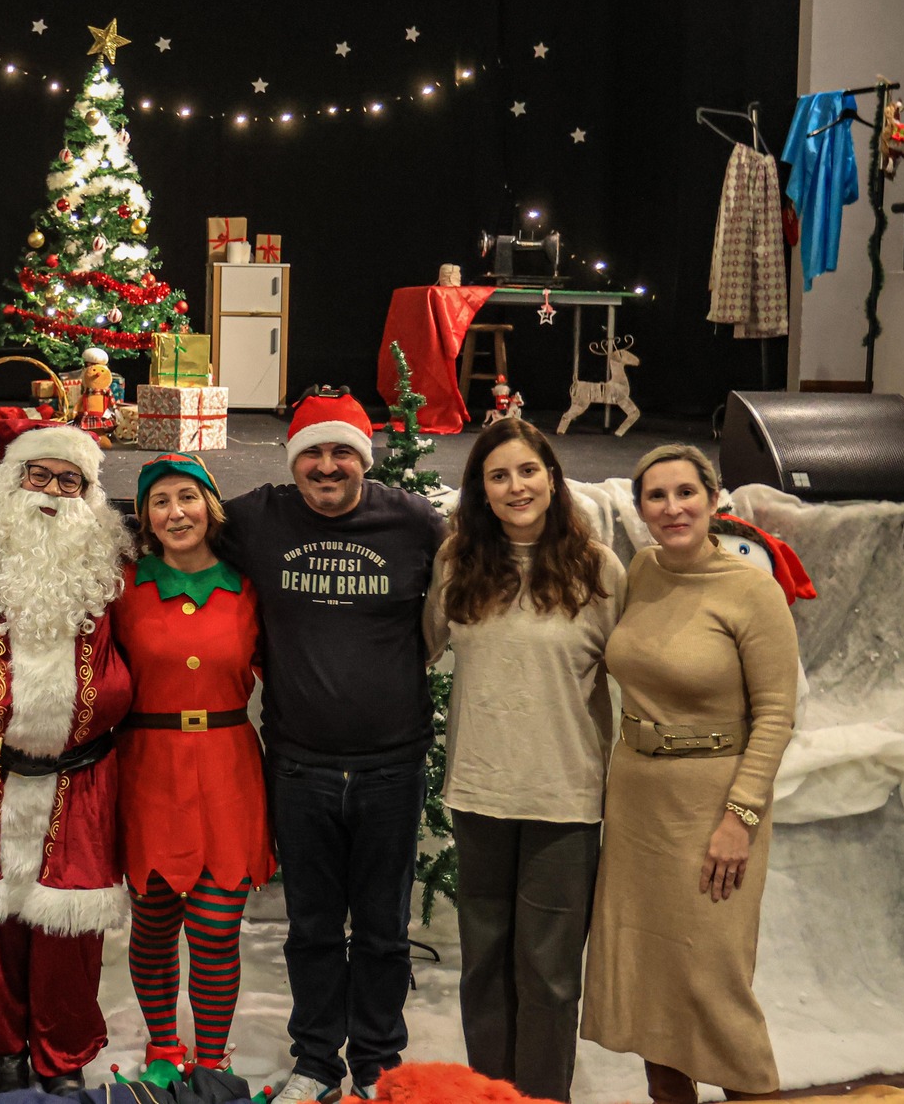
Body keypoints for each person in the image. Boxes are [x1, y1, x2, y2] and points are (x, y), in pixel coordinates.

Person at [210, 389, 446, 1104]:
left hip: (391, 766)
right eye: (312, 450)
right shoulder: (257, 517)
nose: (327, 464)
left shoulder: (414, 522)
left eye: (342, 449)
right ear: (293, 460)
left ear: (364, 459)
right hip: (299, 765)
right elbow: (174, 529)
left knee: (381, 929)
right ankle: (316, 1060)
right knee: (310, 926)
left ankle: (377, 1063)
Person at [581, 445, 799, 1104]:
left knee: (713, 979)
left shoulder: (751, 590)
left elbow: (777, 714)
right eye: (656, 495)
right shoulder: (642, 570)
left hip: (714, 805)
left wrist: (741, 817)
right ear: (639, 506)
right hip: (638, 803)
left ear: (713, 500)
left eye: (685, 493)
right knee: (649, 980)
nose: (672, 507)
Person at [422, 419, 626, 1103]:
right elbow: (420, 646)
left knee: (548, 971)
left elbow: (636, 672)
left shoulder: (598, 568)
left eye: (528, 471)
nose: (516, 487)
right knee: (484, 963)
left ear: (552, 477)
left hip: (565, 797)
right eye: (499, 475)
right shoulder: (457, 563)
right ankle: (490, 1093)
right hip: (481, 791)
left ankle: (540, 1096)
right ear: (480, 488)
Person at [0, 424, 134, 1098]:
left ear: (89, 493)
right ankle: (2, 1049)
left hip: (83, 773)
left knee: (67, 929)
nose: (52, 493)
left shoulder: (111, 568)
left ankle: (62, 1051)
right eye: (38, 476)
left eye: (68, 480)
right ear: (9, 482)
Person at [112, 454, 275, 1086]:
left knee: (214, 925)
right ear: (146, 517)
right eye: (160, 502)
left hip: (227, 767)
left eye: (188, 497)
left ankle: (211, 1057)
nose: (176, 512)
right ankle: (161, 1047)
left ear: (211, 506)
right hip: (148, 769)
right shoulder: (123, 587)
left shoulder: (248, 585)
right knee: (154, 919)